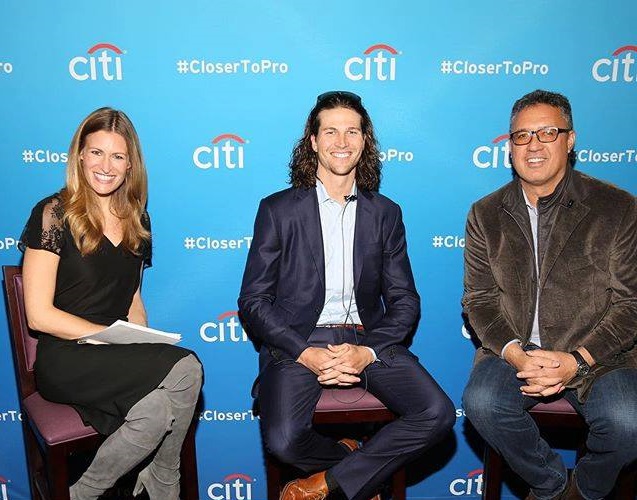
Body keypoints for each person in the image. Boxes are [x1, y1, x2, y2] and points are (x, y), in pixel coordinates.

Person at [238, 91, 454, 500]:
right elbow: (253, 301)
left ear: (364, 141)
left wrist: (367, 351)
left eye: (352, 131)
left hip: (367, 338)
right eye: (331, 131)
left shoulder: (386, 213)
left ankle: (327, 484)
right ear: (313, 141)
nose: (341, 141)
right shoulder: (278, 210)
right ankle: (349, 461)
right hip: (300, 339)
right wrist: (305, 353)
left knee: (437, 412)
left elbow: (405, 300)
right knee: (284, 440)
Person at [462, 89, 637, 500]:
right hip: (515, 353)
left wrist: (577, 360)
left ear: (570, 140)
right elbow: (479, 300)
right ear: (510, 147)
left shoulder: (617, 207)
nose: (533, 145)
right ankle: (554, 487)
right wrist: (516, 355)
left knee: (628, 422)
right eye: (522, 136)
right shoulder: (485, 214)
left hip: (598, 356)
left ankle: (585, 490)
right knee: (483, 401)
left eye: (547, 133)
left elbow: (631, 303)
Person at [20, 107, 203, 500]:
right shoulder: (53, 213)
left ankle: (80, 494)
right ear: (80, 156)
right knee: (188, 366)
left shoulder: (138, 219)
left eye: (117, 156)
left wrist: (143, 343)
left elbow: (132, 298)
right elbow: (38, 315)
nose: (106, 166)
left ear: (130, 164)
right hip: (65, 356)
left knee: (156, 411)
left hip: (113, 352)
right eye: (96, 153)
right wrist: (104, 336)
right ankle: (164, 480)